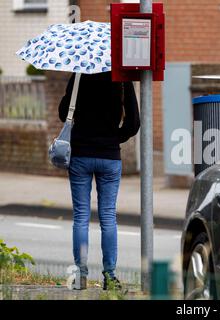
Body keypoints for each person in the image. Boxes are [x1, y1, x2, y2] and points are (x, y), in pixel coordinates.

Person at [58, 72, 140, 290]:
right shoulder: (123, 76)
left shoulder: (79, 75)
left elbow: (62, 113)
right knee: (108, 217)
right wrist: (115, 137)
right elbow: (134, 123)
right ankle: (110, 277)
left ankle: (80, 276)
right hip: (109, 156)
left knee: (81, 216)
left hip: (81, 155)